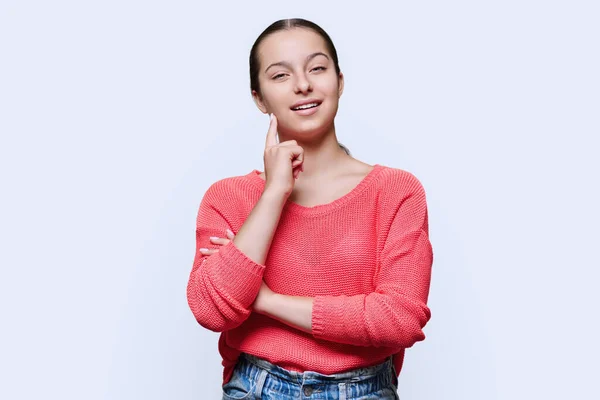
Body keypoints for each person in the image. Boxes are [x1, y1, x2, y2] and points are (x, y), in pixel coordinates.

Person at [186, 18, 434, 400]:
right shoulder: (228, 197)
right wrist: (274, 193)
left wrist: (267, 301)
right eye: (280, 75)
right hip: (256, 387)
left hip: (364, 390)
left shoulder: (396, 192)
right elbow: (212, 310)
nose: (303, 84)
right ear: (259, 98)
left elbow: (399, 319)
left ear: (339, 80)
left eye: (317, 68)